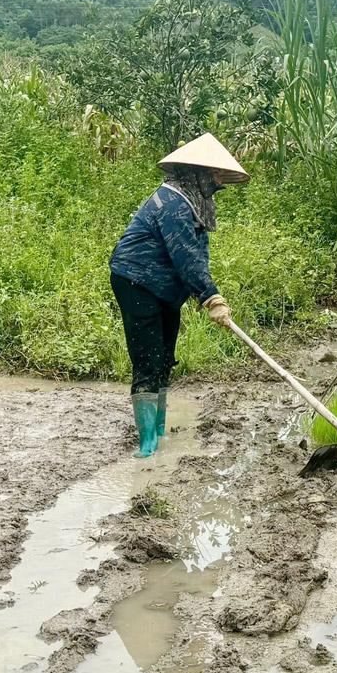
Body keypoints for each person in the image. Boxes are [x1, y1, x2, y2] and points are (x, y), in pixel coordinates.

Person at [109, 132, 249, 457]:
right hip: (135, 282)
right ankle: (147, 442)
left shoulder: (195, 204)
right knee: (147, 359)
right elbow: (184, 255)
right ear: (196, 173)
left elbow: (197, 257)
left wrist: (205, 293)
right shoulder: (172, 203)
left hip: (166, 287)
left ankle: (158, 427)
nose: (217, 182)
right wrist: (211, 297)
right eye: (213, 175)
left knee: (164, 357)